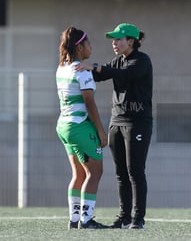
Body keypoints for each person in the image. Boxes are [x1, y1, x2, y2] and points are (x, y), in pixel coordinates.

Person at [75, 23, 153, 229]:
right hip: (116, 122)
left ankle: (138, 219)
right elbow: (102, 74)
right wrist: (77, 67)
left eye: (118, 39)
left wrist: (96, 67)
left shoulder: (141, 60)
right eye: (113, 39)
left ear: (131, 41)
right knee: (120, 173)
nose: (114, 43)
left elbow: (125, 74)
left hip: (137, 123)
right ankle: (124, 217)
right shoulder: (118, 61)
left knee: (135, 171)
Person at [56, 26, 109, 229]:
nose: (91, 47)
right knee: (94, 174)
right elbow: (90, 103)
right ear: (80, 47)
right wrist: (101, 131)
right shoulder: (82, 71)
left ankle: (74, 219)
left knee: (78, 174)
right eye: (88, 44)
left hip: (64, 126)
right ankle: (86, 221)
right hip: (79, 127)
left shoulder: (61, 67)